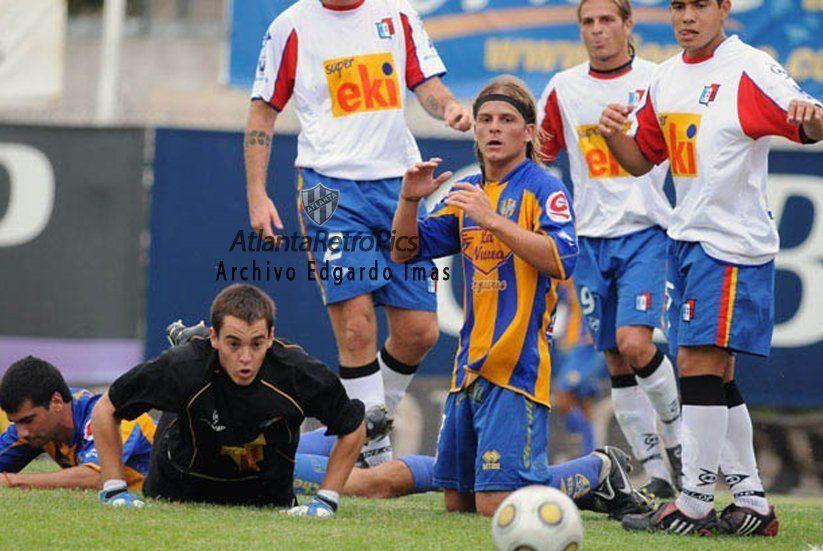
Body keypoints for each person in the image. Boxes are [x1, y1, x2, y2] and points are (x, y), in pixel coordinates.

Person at [599, 0, 822, 536]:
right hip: (690, 240)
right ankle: (751, 503)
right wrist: (612, 136)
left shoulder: (748, 67)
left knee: (698, 361)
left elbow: (807, 120)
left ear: (724, 8)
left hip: (731, 245)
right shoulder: (668, 77)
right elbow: (642, 159)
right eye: (677, 6)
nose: (686, 16)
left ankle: (696, 501)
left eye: (699, 4)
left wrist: (812, 120)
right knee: (715, 373)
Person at [390, 75, 651, 519]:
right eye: (485, 119)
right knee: (460, 502)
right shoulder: (468, 195)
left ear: (528, 132)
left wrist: (492, 221)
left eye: (506, 120)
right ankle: (584, 475)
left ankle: (599, 469)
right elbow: (404, 251)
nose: (493, 128)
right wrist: (409, 201)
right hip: (469, 366)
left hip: (518, 366)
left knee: (496, 503)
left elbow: (561, 259)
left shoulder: (543, 188)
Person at [244, 0, 472, 467]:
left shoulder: (397, 14)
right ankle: (371, 448)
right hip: (326, 187)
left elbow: (424, 83)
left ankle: (359, 422)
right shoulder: (290, 26)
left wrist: (448, 107)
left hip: (398, 182)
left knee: (419, 332)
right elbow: (262, 114)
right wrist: (257, 194)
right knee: (356, 326)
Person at [537, 0, 682, 500]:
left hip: (647, 231)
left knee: (636, 344)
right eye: (588, 22)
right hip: (591, 240)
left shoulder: (660, 79)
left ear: (628, 24)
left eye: (607, 21)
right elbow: (541, 154)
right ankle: (654, 471)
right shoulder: (563, 87)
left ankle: (681, 448)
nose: (597, 31)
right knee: (616, 361)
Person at [91, 284, 366, 516]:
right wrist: (114, 489)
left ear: (271, 338)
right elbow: (107, 408)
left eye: (256, 344)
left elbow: (352, 426)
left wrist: (327, 500)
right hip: (178, 490)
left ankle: (194, 338)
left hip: (266, 499)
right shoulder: (183, 367)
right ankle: (190, 341)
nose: (245, 358)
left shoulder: (298, 373)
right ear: (215, 337)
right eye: (233, 343)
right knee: (188, 379)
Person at [0, 357, 154, 491]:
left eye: (28, 420)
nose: (22, 433)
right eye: (15, 423)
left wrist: (12, 481)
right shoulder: (37, 426)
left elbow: (98, 478)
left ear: (56, 402)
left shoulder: (116, 417)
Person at [550, 279, 608, 457]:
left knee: (562, 394)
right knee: (582, 402)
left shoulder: (595, 265)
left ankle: (585, 444)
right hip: (569, 345)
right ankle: (589, 456)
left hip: (586, 346)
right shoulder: (566, 271)